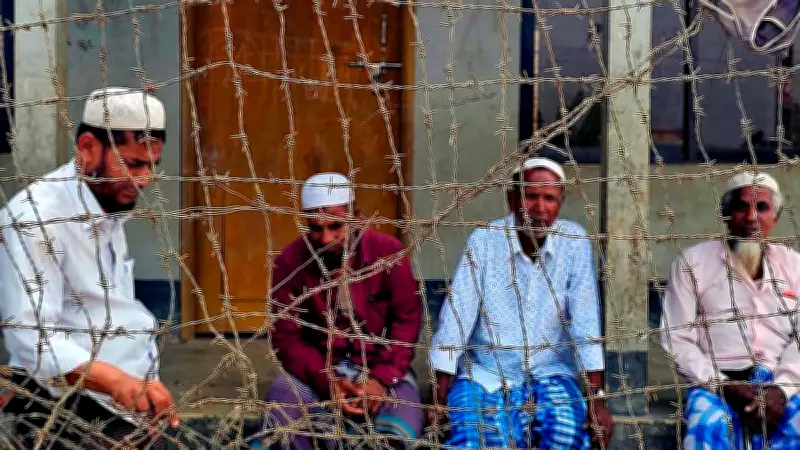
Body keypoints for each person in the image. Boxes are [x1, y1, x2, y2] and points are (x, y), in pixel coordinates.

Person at [0, 87, 178, 449]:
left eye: (152, 166)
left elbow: (109, 316)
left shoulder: (104, 204)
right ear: (87, 148)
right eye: (133, 164)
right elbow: (31, 338)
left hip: (124, 404)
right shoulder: (37, 218)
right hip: (65, 407)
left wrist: (136, 392)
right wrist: (119, 384)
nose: (145, 180)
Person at [428, 157, 614, 449]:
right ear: (512, 200)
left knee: (564, 432)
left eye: (549, 198)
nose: (539, 208)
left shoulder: (574, 241)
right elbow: (456, 319)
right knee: (484, 436)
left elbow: (586, 323)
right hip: (486, 371)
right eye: (530, 196)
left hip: (550, 370)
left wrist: (596, 399)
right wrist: (439, 395)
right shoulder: (485, 241)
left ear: (560, 203)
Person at [263, 172, 423, 450]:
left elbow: (406, 322)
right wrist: (328, 381)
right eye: (315, 229)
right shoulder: (291, 261)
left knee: (401, 424)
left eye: (336, 227)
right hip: (316, 368)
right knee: (283, 412)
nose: (325, 239)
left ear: (356, 217)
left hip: (381, 365)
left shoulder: (388, 253)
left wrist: (381, 379)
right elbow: (286, 338)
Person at [661, 171, 800, 449]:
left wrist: (782, 390)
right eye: (740, 207)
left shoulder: (794, 265)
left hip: (781, 380)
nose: (751, 218)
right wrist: (722, 384)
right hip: (717, 382)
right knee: (707, 428)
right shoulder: (693, 263)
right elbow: (676, 339)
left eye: (762, 207)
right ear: (725, 215)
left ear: (776, 217)